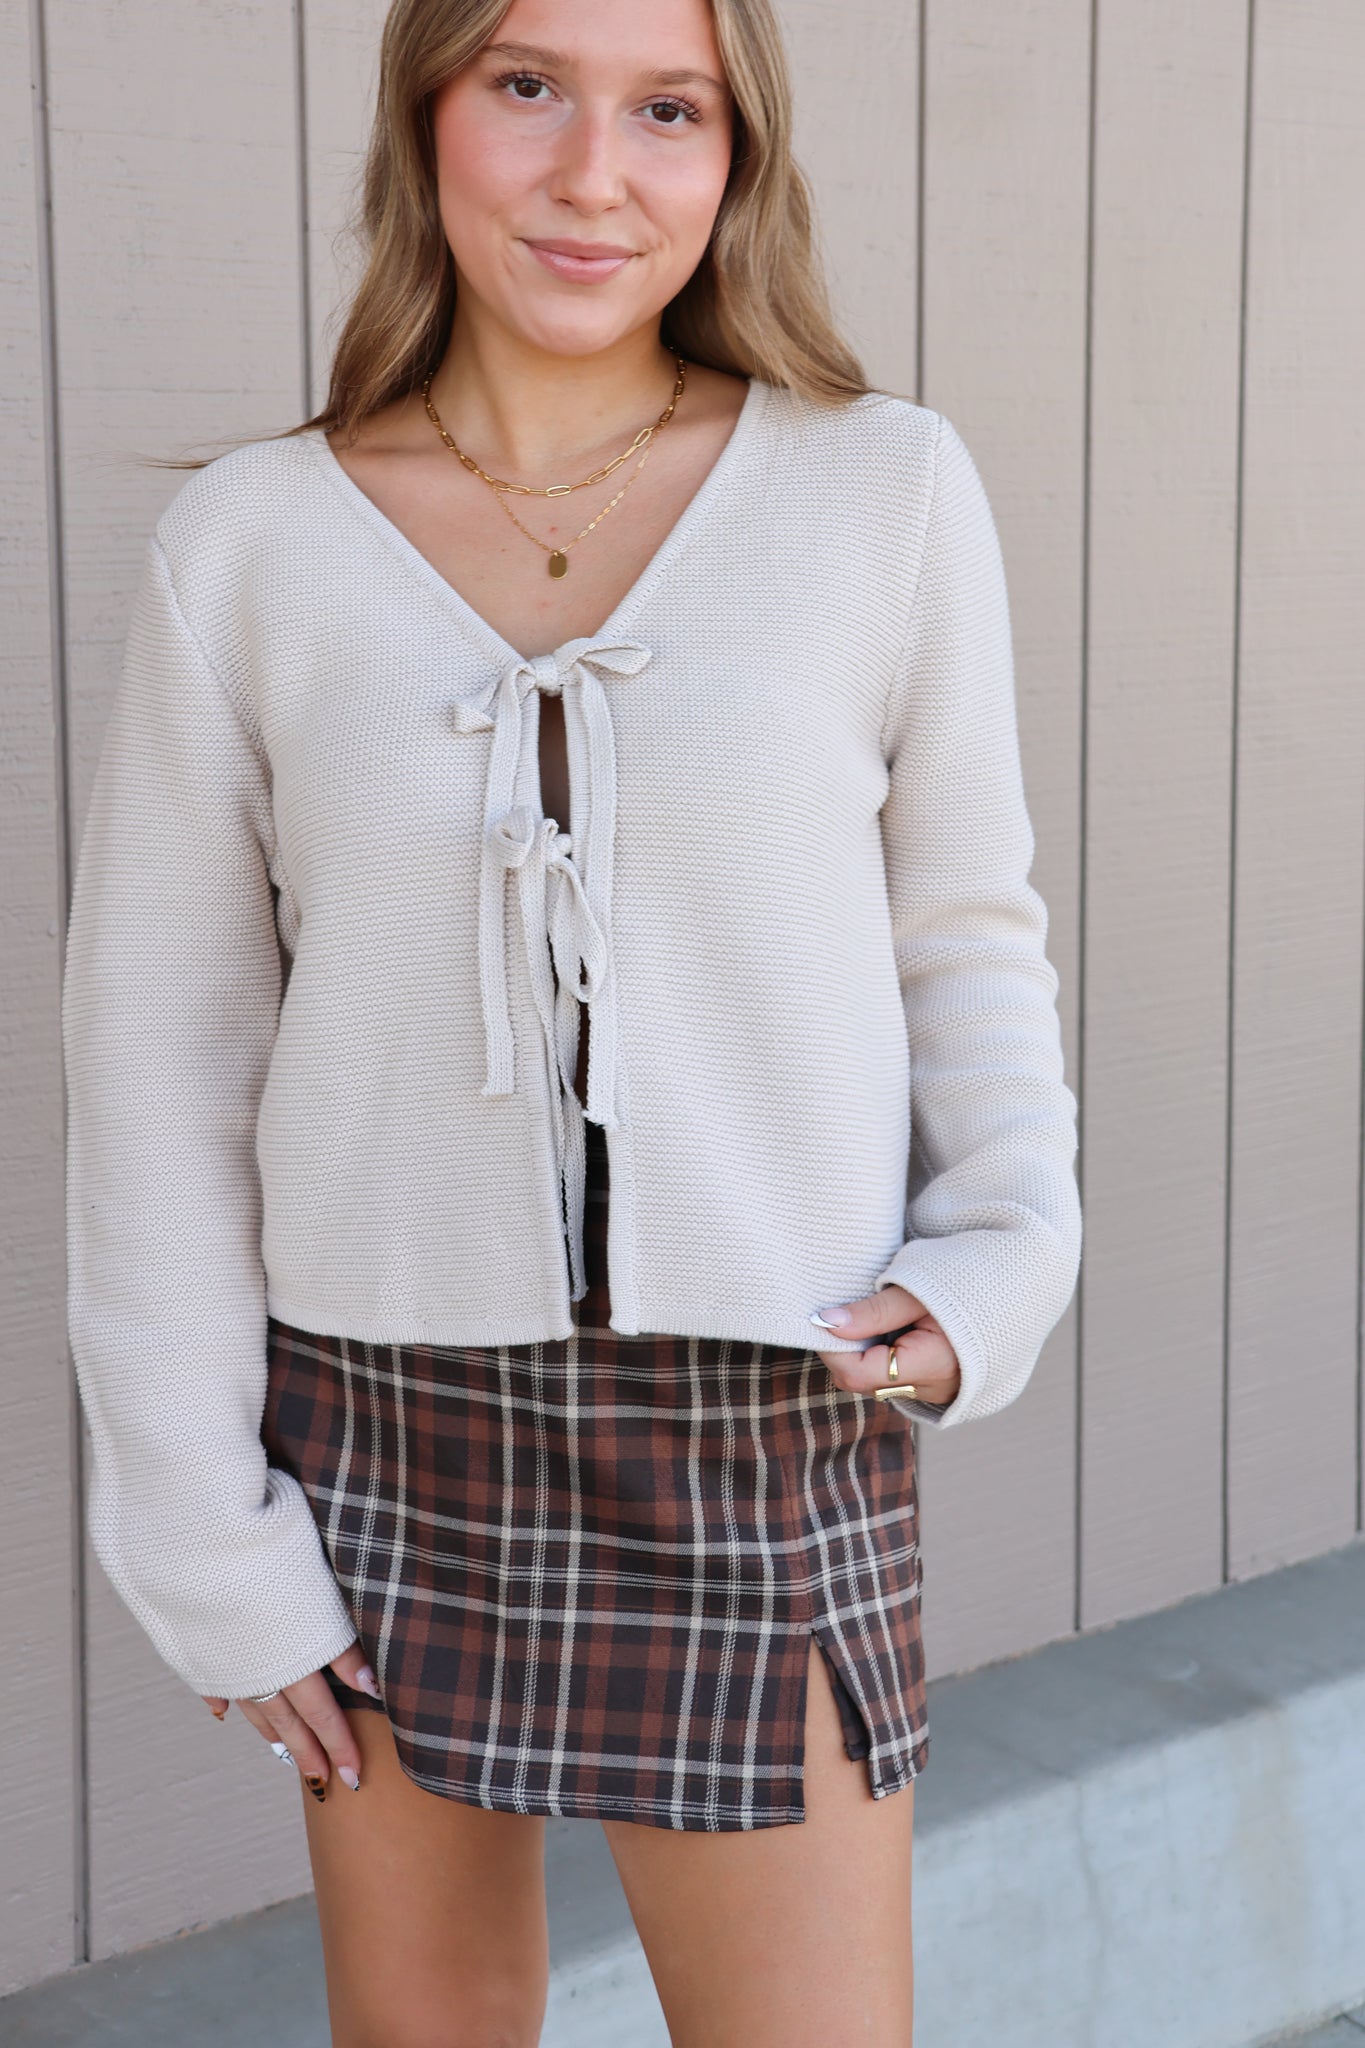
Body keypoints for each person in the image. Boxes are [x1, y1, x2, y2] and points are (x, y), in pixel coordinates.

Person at [59, 0, 1082, 2041]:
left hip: (760, 1408)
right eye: (526, 84)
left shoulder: (875, 490)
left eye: (666, 109)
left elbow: (965, 929)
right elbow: (156, 1064)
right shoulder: (249, 544)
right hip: (377, 1417)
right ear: (427, 113)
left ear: (735, 154)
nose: (592, 173)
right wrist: (201, 1532)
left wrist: (1001, 1250)